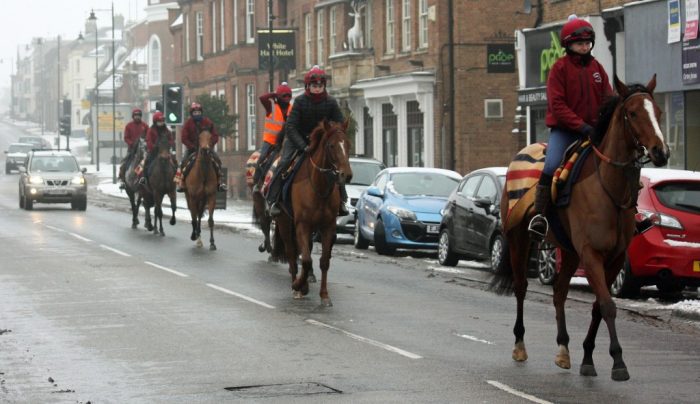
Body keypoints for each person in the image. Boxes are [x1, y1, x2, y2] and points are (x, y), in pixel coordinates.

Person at [529, 15, 613, 241]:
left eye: (587, 43)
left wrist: (605, 122)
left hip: (594, 130)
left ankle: (631, 212)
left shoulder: (597, 68)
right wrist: (581, 126)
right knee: (551, 164)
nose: (585, 47)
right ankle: (540, 216)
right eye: (580, 44)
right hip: (565, 131)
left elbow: (608, 98)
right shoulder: (559, 69)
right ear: (568, 45)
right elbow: (557, 106)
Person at [266, 65, 349, 217]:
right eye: (314, 86)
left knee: (338, 164)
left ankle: (342, 201)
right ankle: (273, 200)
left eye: (320, 86)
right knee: (284, 162)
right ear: (308, 86)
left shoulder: (331, 102)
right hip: (298, 139)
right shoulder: (299, 101)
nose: (317, 89)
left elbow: (339, 123)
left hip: (321, 142)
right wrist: (303, 146)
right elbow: (290, 127)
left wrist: (337, 134)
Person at [175, 102, 227, 192]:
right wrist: (191, 146)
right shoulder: (188, 123)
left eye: (198, 112)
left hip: (206, 148)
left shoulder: (208, 122)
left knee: (217, 160)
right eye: (195, 113)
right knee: (183, 161)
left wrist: (210, 144)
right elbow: (184, 138)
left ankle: (220, 182)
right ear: (192, 113)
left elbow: (215, 135)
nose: (197, 114)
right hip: (192, 149)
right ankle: (182, 182)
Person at [253, 82, 294, 191]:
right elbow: (262, 98)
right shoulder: (271, 106)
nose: (287, 98)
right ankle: (257, 182)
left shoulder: (293, 108)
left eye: (289, 96)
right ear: (279, 96)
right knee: (262, 158)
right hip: (270, 141)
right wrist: (274, 94)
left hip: (285, 141)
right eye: (284, 96)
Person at [139, 111, 175, 185]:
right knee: (144, 163)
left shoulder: (166, 130)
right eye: (159, 121)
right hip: (154, 152)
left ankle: (177, 178)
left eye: (162, 121)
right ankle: (143, 178)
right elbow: (148, 141)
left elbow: (171, 139)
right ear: (155, 122)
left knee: (175, 162)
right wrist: (153, 148)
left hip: (165, 152)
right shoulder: (151, 130)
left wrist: (169, 145)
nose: (161, 123)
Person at [118, 108, 149, 190]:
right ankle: (122, 180)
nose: (137, 117)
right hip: (132, 150)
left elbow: (148, 137)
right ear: (133, 116)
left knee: (146, 163)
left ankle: (144, 178)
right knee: (124, 163)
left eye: (138, 115)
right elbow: (126, 138)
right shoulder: (129, 126)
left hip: (143, 150)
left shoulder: (145, 126)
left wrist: (145, 143)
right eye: (135, 115)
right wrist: (132, 143)